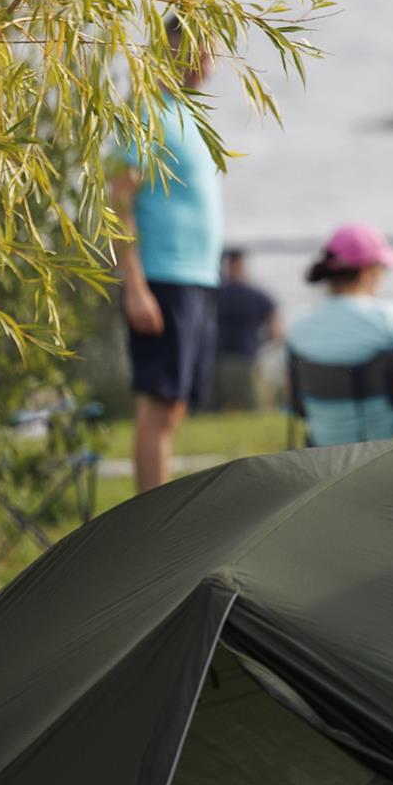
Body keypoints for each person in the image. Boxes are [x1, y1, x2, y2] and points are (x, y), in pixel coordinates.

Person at [109, 28, 226, 494]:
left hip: (197, 277)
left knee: (175, 404)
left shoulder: (190, 115)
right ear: (167, 49)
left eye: (212, 48)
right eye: (197, 47)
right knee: (159, 404)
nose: (206, 58)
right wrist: (134, 285)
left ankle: (158, 504)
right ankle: (152, 520)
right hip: (162, 276)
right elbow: (119, 203)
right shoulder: (145, 112)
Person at [285, 225, 393, 446]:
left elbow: (295, 403)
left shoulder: (298, 325)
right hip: (388, 454)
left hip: (324, 459)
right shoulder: (391, 318)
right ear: (368, 271)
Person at [207, 247, 282, 415]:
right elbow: (277, 333)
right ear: (242, 264)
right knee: (255, 409)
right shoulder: (259, 295)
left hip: (217, 360)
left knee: (213, 410)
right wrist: (261, 342)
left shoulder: (211, 294)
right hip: (248, 359)